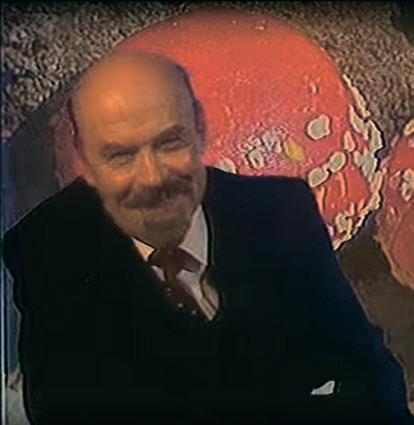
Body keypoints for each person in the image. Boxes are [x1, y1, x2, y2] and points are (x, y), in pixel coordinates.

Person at [2, 51, 413, 425]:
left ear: (199, 129)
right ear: (86, 160)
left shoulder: (282, 209)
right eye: (120, 155)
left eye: (170, 142)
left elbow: (366, 365)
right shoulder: (44, 249)